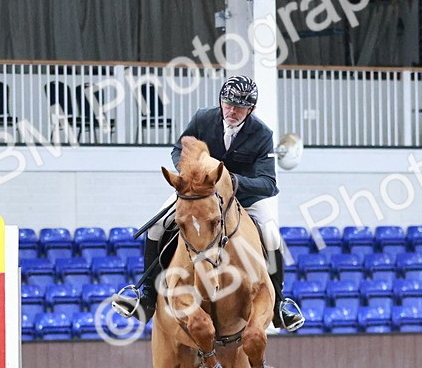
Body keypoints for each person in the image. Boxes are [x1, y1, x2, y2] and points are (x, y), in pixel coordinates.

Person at [112, 76, 304, 332]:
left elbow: (268, 183)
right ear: (221, 101)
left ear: (251, 109)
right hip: (199, 194)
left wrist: (231, 181)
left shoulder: (261, 134)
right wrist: (192, 173)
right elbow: (178, 150)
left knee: (270, 234)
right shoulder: (204, 118)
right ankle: (145, 294)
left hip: (242, 200)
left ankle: (280, 303)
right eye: (228, 103)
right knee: (158, 224)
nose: (232, 111)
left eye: (240, 107)